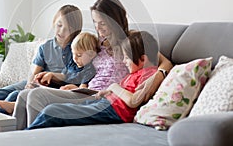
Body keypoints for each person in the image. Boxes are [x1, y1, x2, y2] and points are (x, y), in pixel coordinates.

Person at [12, 0, 173, 130]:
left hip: (104, 98)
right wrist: (76, 83)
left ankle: (31, 138)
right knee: (26, 95)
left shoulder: (132, 42)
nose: (98, 27)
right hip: (87, 92)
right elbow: (81, 66)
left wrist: (158, 76)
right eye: (95, 22)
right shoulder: (97, 43)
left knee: (36, 96)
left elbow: (165, 62)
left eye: (102, 23)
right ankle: (11, 138)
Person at [26, 30, 159, 129]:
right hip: (104, 103)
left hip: (114, 112)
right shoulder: (135, 73)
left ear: (143, 59)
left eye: (127, 58)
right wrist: (106, 92)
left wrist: (113, 87)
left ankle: (24, 137)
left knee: (52, 112)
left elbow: (133, 101)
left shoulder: (150, 74)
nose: (124, 61)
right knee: (53, 109)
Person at [0, 4, 83, 114]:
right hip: (38, 82)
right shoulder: (46, 47)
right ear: (54, 23)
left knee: (13, 96)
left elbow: (73, 77)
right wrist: (30, 84)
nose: (61, 31)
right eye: (59, 25)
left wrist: (51, 76)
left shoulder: (76, 49)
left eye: (68, 29)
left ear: (75, 31)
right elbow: (34, 73)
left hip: (55, 87)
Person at [0, 32, 100, 114]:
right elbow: (64, 76)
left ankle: (13, 107)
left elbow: (83, 91)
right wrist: (51, 75)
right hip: (59, 90)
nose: (75, 58)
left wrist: (72, 88)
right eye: (73, 54)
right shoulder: (73, 64)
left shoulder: (88, 70)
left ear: (91, 55)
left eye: (79, 55)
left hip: (67, 95)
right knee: (17, 94)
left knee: (30, 96)